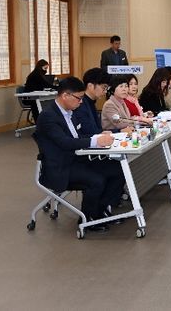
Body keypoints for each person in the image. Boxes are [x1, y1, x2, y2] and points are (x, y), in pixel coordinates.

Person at [34, 77, 125, 232]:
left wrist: (98, 136)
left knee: (117, 170)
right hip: (60, 166)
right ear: (65, 95)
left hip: (77, 159)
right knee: (96, 180)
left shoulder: (71, 112)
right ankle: (88, 218)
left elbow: (78, 136)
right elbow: (65, 142)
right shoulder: (48, 116)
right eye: (79, 98)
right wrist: (95, 141)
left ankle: (99, 210)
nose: (81, 102)